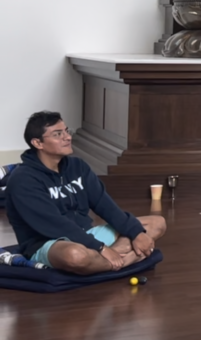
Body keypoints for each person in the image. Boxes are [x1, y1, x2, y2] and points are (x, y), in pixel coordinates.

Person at [6, 112, 167, 274]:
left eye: (67, 131)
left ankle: (110, 258)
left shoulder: (78, 167)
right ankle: (125, 261)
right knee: (76, 256)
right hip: (49, 242)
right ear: (37, 143)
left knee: (156, 223)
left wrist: (135, 233)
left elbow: (105, 205)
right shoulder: (23, 180)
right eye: (58, 134)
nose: (67, 137)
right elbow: (55, 225)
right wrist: (100, 247)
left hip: (86, 234)